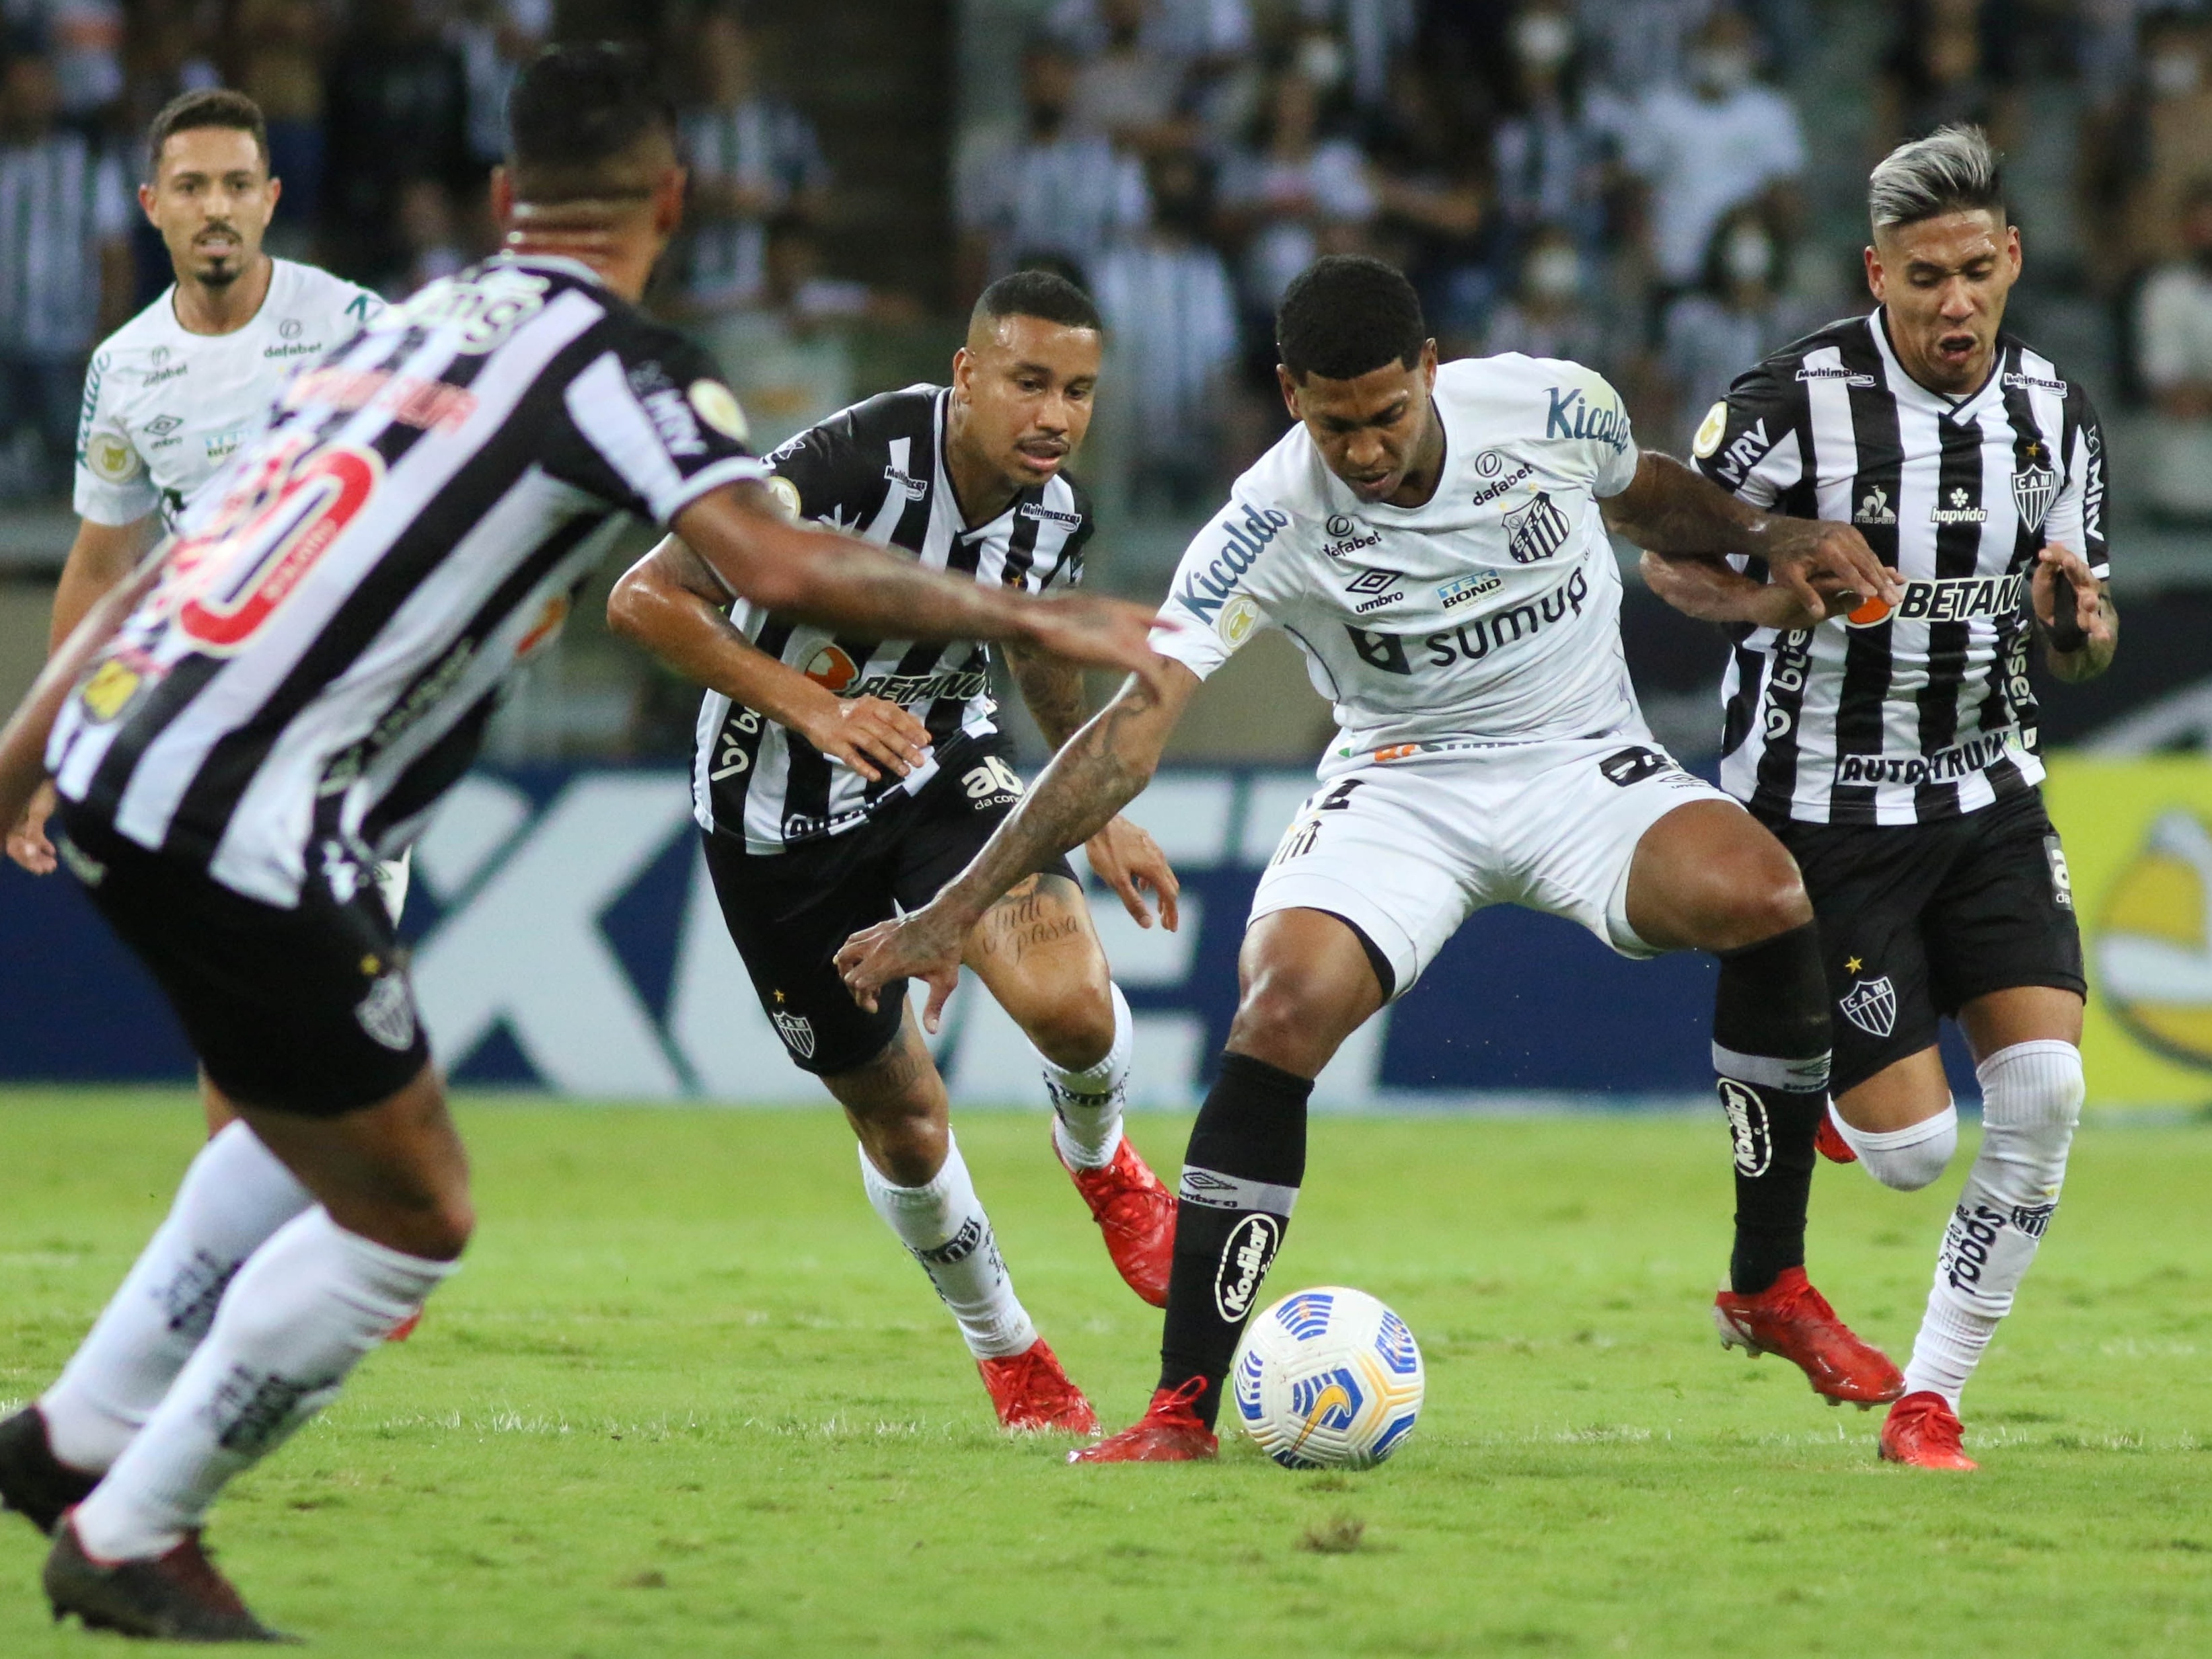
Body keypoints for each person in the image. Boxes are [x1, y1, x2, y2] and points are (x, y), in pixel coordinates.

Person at [0, 43, 1165, 1639]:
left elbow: (162, 568)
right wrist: (1034, 609)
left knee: (290, 1133)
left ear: (502, 201)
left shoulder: (393, 327)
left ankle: (64, 1443)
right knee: (411, 1214)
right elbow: (757, 555)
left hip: (124, 750)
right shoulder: (627, 369)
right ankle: (130, 1529)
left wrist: (15, 761)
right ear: (673, 202)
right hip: (253, 808)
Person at [837, 254, 1909, 1463]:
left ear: (1431, 373)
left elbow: (1647, 492)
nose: (1360, 449)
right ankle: (1182, 1407)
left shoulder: (1549, 403)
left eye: (1386, 415)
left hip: (1577, 758)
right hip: (1399, 782)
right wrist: (956, 904)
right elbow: (1124, 736)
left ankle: (1766, 1285)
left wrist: (1772, 532)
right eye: (1331, 421)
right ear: (1290, 391)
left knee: (1764, 894)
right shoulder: (1263, 519)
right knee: (1281, 1008)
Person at [606, 270, 1181, 1434]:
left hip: (936, 772)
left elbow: (1035, 654)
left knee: (1072, 1005)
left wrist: (1097, 795)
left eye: (1077, 392)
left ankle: (1104, 1158)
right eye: (1028, 382)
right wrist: (811, 709)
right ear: (966, 376)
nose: (1054, 416)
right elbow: (641, 598)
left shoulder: (1055, 510)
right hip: (772, 825)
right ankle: (1008, 1349)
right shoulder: (849, 466)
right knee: (905, 1123)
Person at [1641, 126, 2116, 1471]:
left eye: (1976, 271)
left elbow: (2088, 640)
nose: (1954, 302)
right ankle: (1843, 1101)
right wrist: (1772, 591)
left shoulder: (2058, 417)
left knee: (2046, 1097)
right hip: (1823, 810)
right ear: (1877, 275)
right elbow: (1673, 556)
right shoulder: (1794, 403)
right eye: (1924, 279)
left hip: (1990, 798)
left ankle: (1932, 1401)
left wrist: (2077, 622)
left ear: (2012, 259)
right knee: (1910, 1154)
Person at [7, 87, 412, 1136]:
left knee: (319, 1018)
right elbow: (101, 569)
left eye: (237, 184)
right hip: (209, 732)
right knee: (238, 1023)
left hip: (347, 727)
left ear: (273, 198)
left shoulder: (355, 327)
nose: (216, 206)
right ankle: (256, 1264)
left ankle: (325, 1241)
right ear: (152, 205)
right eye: (192, 187)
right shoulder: (126, 368)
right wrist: (58, 755)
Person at [0, 48, 133, 499]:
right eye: (18, 94)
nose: (28, 103)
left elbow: (114, 255)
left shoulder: (88, 167)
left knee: (68, 470)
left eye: (37, 92)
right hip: (3, 339)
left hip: (66, 341)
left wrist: (105, 335)